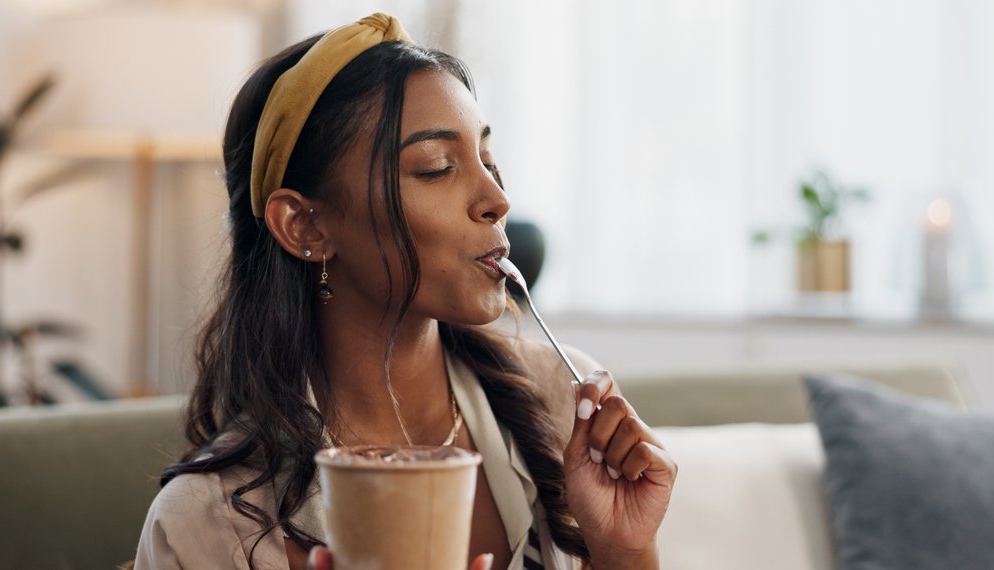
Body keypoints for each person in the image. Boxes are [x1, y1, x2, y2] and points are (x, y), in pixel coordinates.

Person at [134, 13, 677, 570]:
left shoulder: (560, 405)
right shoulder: (204, 524)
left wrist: (624, 551)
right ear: (306, 226)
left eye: (488, 160)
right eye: (436, 167)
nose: (496, 198)